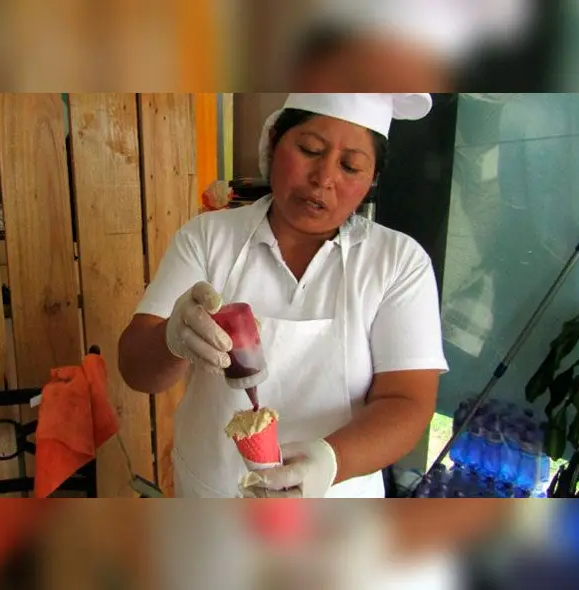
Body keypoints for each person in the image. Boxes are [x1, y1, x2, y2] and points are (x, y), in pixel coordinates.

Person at [118, 93, 449, 498]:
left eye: (350, 166)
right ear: (274, 142)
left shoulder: (397, 262)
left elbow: (407, 401)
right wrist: (172, 338)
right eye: (310, 149)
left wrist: (330, 461)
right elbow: (137, 371)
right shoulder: (208, 239)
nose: (323, 178)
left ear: (372, 179)